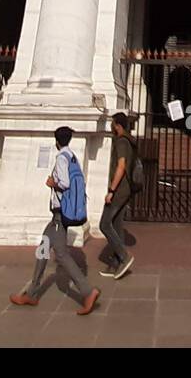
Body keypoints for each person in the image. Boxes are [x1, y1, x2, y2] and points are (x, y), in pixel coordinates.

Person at [10, 125, 100, 315]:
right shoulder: (72, 156)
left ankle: (87, 291)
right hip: (58, 217)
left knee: (61, 255)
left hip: (60, 214)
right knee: (43, 246)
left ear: (56, 141)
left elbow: (65, 183)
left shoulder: (61, 157)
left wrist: (53, 183)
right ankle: (33, 291)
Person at [99, 112, 136, 279]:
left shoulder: (122, 141)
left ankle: (123, 256)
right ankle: (116, 263)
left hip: (120, 189)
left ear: (117, 125)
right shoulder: (129, 141)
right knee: (117, 224)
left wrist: (111, 191)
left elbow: (121, 166)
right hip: (126, 188)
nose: (111, 127)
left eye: (113, 124)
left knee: (105, 224)